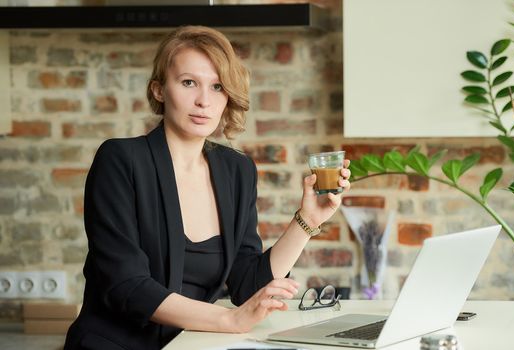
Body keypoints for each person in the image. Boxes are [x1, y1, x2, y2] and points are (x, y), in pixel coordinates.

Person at [64, 25, 351, 350]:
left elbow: (245, 285)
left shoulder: (237, 170)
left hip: (190, 344)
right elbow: (125, 284)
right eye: (188, 83)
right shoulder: (120, 160)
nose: (203, 100)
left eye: (217, 87)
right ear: (159, 90)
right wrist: (229, 320)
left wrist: (307, 221)